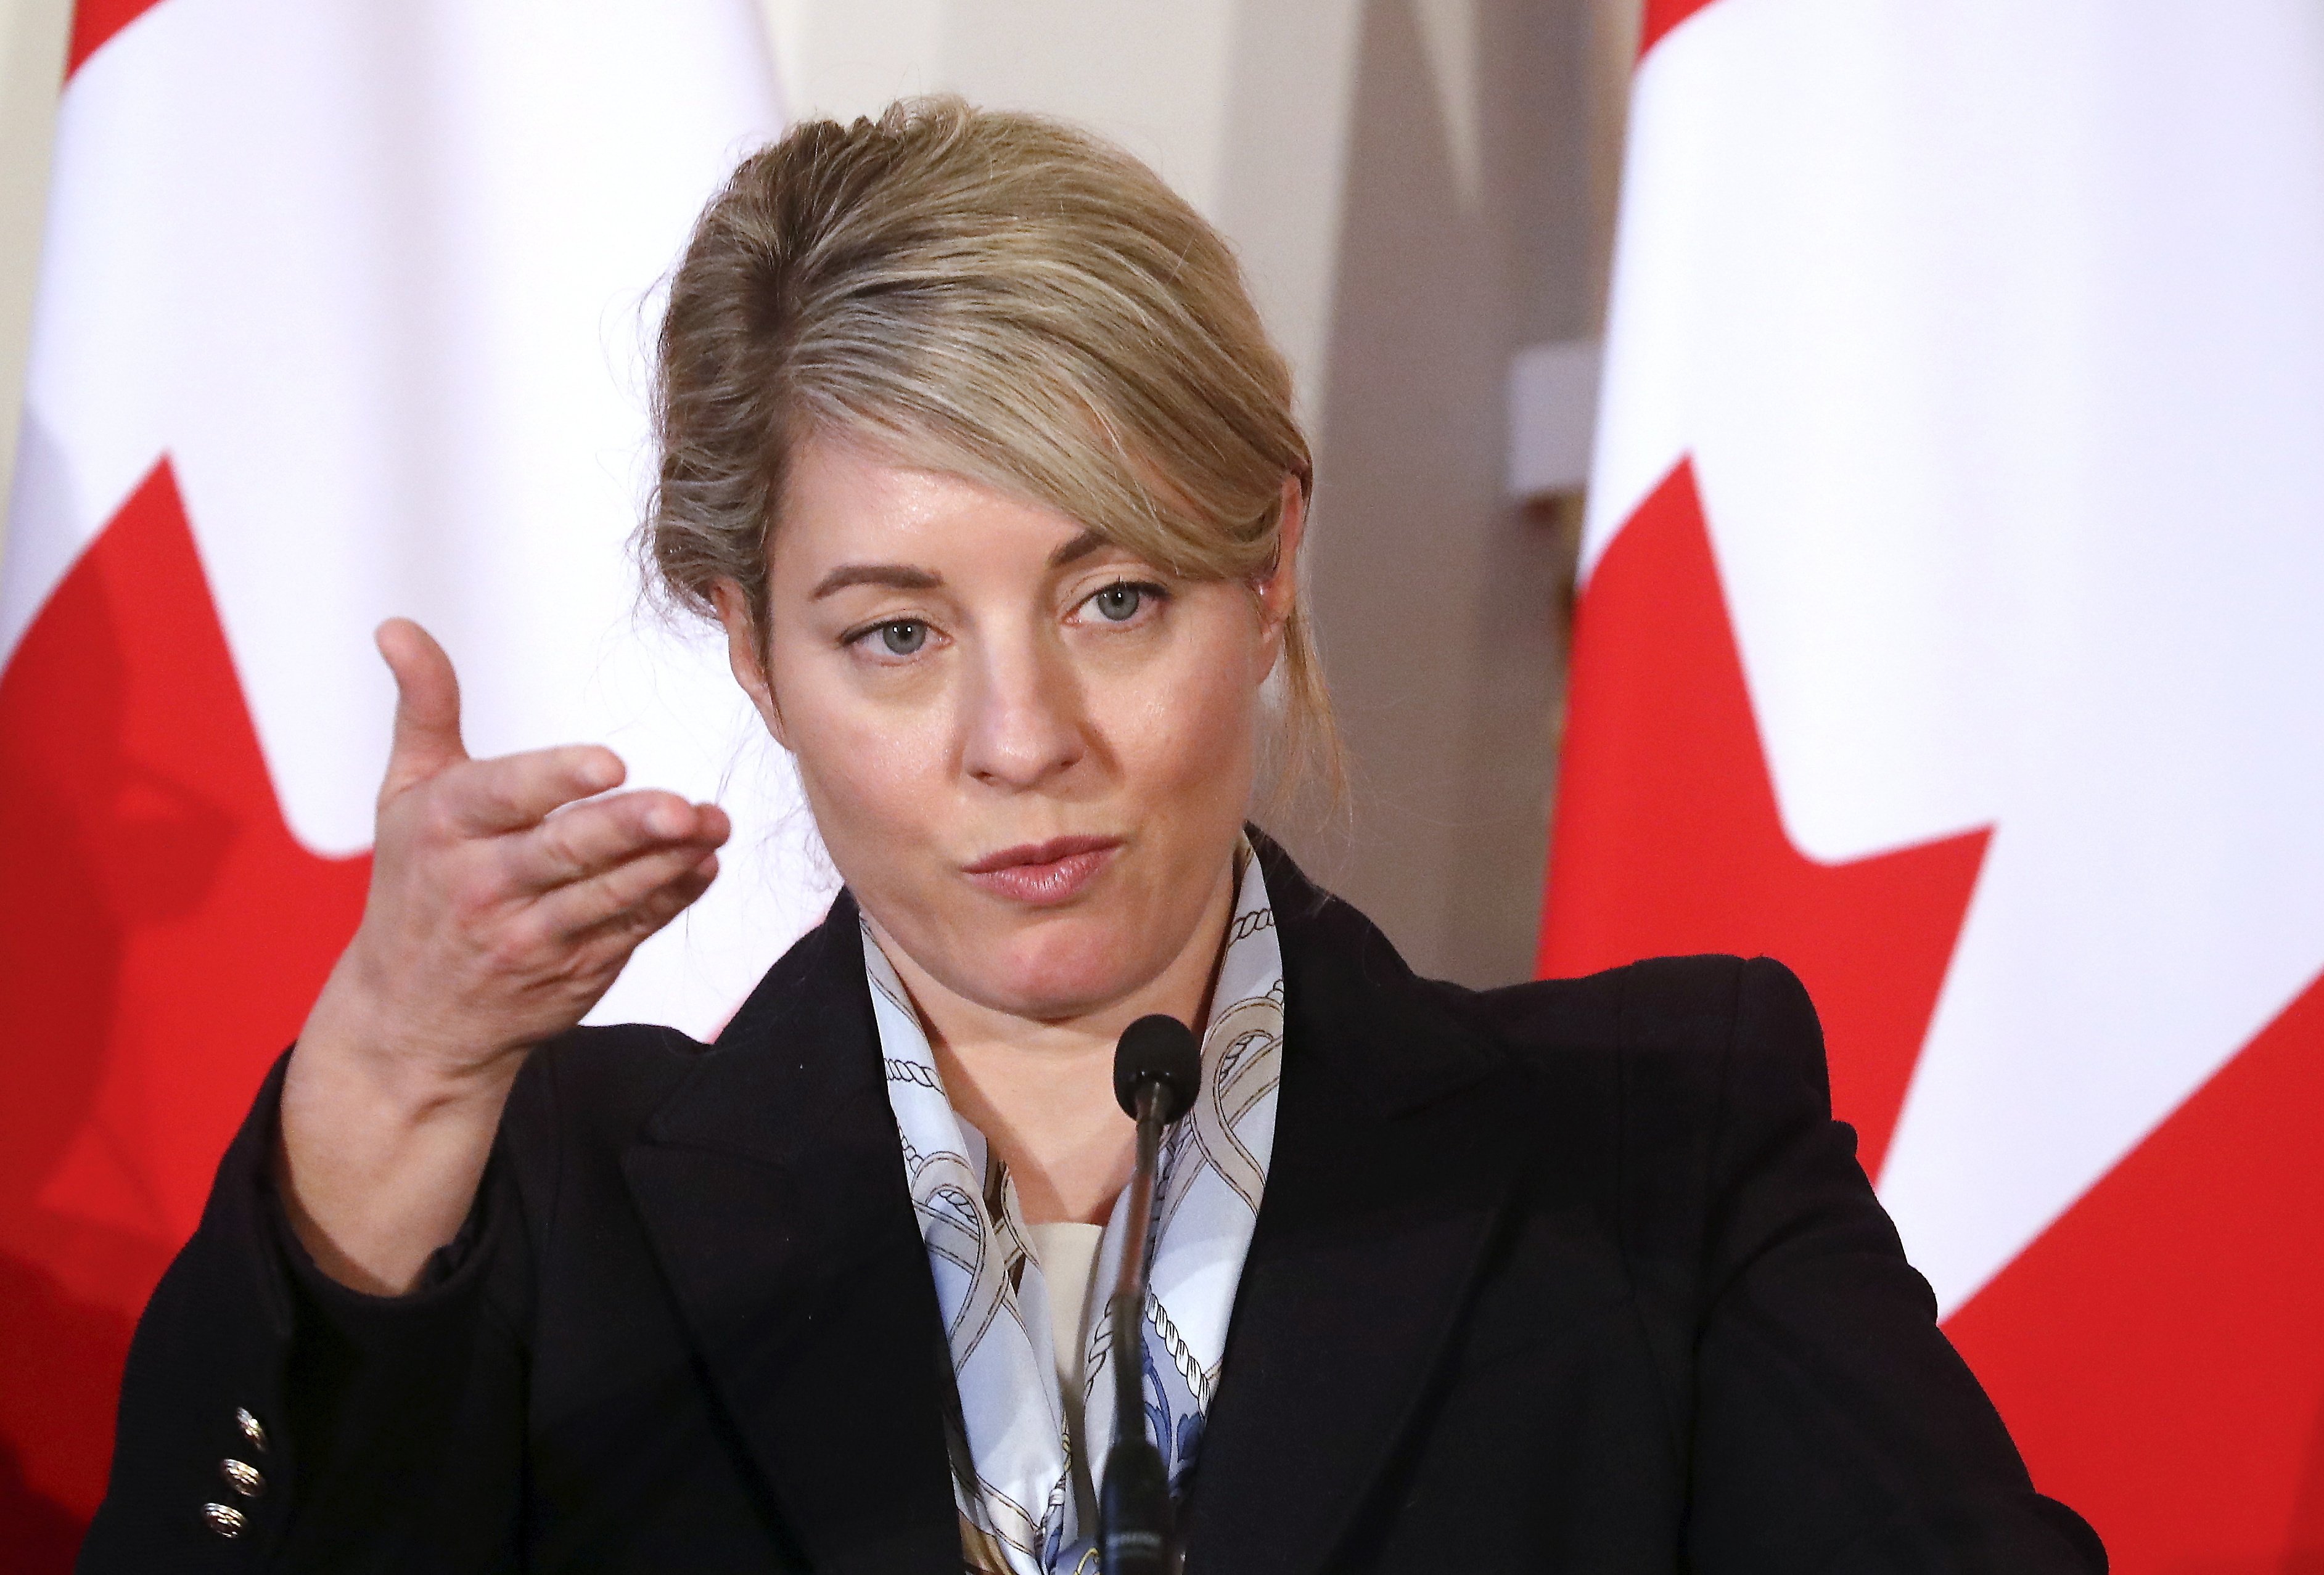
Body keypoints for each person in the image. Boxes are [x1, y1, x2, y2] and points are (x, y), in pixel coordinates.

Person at [77, 99, 2103, 1574]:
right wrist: (389, 1078)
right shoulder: (541, 1210)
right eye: (891, 633)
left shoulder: (1656, 1148)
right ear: (753, 654)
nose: (1019, 736)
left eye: (1114, 594)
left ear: (1272, 565)